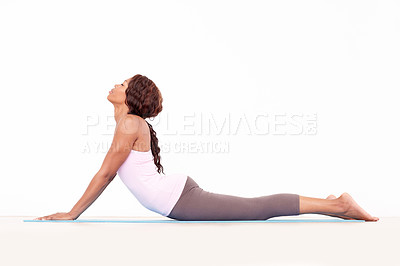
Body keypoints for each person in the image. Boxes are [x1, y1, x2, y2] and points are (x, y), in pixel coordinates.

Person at [34, 74, 379, 222]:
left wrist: (73, 212)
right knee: (254, 209)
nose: (115, 83)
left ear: (132, 96)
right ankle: (334, 204)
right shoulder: (128, 123)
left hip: (181, 199)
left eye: (123, 83)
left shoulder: (129, 124)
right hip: (178, 197)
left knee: (256, 210)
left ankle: (338, 206)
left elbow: (107, 173)